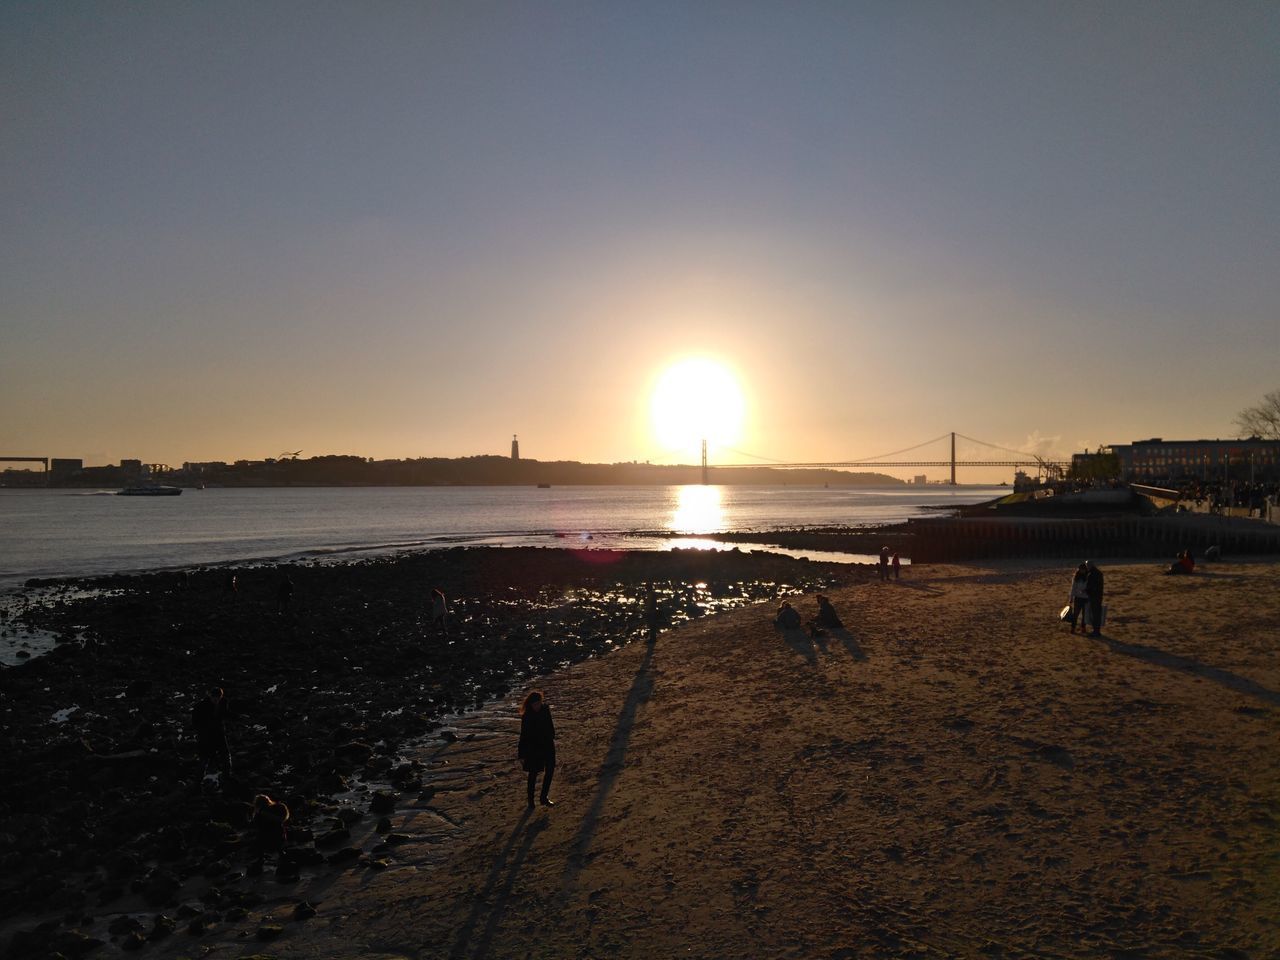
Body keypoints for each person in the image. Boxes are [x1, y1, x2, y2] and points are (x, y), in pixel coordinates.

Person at [518, 689, 556, 808]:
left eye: (539, 703)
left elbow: (550, 726)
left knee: (550, 771)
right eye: (535, 704)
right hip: (533, 748)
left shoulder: (545, 710)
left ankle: (544, 797)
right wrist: (521, 754)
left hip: (548, 745)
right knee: (533, 774)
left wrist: (551, 736)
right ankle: (531, 801)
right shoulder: (527, 716)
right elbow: (523, 735)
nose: (537, 706)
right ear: (531, 704)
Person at [192, 686, 231, 778]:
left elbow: (224, 715)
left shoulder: (223, 702)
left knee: (225, 755)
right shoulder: (201, 706)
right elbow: (195, 721)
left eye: (219, 698)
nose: (216, 700)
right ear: (211, 696)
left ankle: (227, 776)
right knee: (204, 759)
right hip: (206, 736)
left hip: (219, 734)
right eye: (215, 698)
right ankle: (198, 781)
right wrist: (201, 732)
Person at [248, 793, 290, 872]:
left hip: (270, 835)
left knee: (260, 840)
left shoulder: (261, 812)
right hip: (278, 834)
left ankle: (261, 858)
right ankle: (280, 853)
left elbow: (256, 825)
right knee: (269, 838)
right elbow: (284, 818)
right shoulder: (278, 807)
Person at [1066, 562, 1090, 633]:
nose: (1082, 571)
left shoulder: (1088, 577)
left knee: (1085, 614)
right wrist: (1071, 598)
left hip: (1086, 597)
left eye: (1083, 569)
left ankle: (1083, 627)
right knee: (1075, 614)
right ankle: (1073, 628)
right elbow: (1073, 588)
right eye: (1080, 569)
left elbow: (1090, 587)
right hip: (1078, 598)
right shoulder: (1076, 577)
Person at [1084, 560, 1105, 637]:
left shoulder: (1092, 574)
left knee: (1094, 614)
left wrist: (1086, 591)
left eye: (1087, 566)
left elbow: (1091, 587)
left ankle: (1095, 631)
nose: (1086, 568)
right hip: (1099, 596)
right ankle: (1097, 631)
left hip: (1094, 596)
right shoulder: (1099, 573)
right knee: (1097, 614)